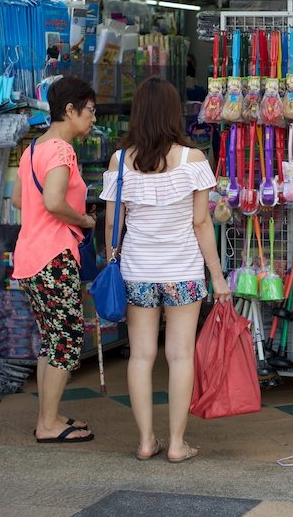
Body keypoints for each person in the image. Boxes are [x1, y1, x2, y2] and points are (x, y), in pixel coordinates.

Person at [100, 76, 230, 463]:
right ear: (175, 113)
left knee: (140, 356)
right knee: (180, 356)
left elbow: (113, 227)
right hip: (184, 270)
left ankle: (145, 441)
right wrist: (218, 275)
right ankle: (176, 444)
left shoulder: (120, 160)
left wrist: (112, 261)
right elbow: (201, 223)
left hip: (138, 271)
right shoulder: (194, 160)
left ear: (136, 113)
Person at [11, 76, 97, 443]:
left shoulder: (34, 148)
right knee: (65, 340)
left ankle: (50, 414)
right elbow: (53, 202)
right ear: (70, 110)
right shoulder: (62, 150)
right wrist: (84, 219)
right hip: (54, 256)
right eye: (90, 111)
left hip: (30, 255)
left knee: (51, 339)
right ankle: (48, 425)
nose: (93, 118)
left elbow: (18, 200)